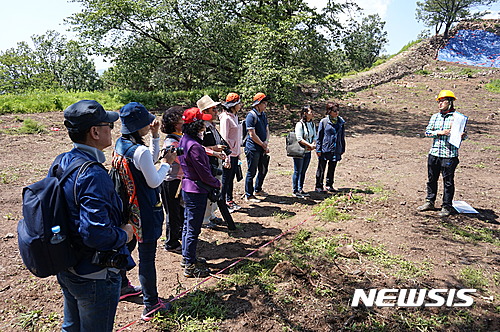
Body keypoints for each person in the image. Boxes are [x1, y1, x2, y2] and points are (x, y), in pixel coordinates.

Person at [59, 99, 134, 331]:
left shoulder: (64, 161)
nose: (111, 129)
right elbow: (96, 233)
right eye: (108, 126)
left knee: (71, 327)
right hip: (94, 274)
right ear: (94, 131)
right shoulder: (93, 174)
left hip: (68, 263)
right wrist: (125, 234)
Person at [115, 102, 176, 321]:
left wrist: (155, 136)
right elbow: (154, 180)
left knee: (127, 245)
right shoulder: (138, 151)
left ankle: (122, 286)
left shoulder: (121, 144)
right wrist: (167, 164)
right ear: (139, 124)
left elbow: (146, 162)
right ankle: (151, 304)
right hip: (146, 210)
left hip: (127, 209)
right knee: (147, 257)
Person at [178, 107, 221, 277]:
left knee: (188, 225)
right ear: (196, 125)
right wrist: (216, 183)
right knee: (193, 228)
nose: (205, 124)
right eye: (202, 121)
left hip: (189, 187)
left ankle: (187, 257)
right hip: (196, 190)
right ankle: (189, 265)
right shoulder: (194, 145)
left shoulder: (185, 140)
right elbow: (203, 172)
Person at [417, 90, 467, 217]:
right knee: (431, 179)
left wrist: (463, 135)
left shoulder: (458, 118)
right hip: (434, 153)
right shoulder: (435, 117)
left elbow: (463, 135)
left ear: (450, 102)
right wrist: (439, 132)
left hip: (449, 155)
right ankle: (430, 201)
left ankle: (446, 206)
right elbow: (427, 132)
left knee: (448, 182)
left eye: (442, 101)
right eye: (439, 101)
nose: (440, 104)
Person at [197, 95, 227, 228]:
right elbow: (197, 148)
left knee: (216, 188)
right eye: (213, 109)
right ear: (204, 112)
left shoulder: (212, 125)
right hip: (207, 163)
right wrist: (214, 148)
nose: (216, 112)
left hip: (216, 160)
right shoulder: (200, 127)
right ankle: (204, 219)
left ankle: (211, 215)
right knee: (209, 190)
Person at [159, 106, 185, 253]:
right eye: (182, 119)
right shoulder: (171, 142)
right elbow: (182, 160)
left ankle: (179, 234)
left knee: (180, 210)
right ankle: (171, 243)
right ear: (176, 123)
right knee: (172, 213)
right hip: (171, 182)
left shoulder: (179, 136)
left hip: (179, 180)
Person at [244, 92, 271, 203]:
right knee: (252, 171)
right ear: (257, 104)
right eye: (263, 103)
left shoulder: (263, 115)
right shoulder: (251, 115)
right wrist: (262, 144)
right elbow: (252, 134)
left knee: (263, 169)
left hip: (261, 147)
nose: (265, 105)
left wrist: (266, 143)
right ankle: (248, 195)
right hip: (253, 148)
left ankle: (258, 189)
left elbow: (267, 129)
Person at [220, 93, 243, 212]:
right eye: (239, 103)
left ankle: (229, 200)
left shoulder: (235, 116)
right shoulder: (225, 118)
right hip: (228, 154)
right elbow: (224, 137)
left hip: (235, 152)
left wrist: (238, 152)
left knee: (231, 179)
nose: (240, 105)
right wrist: (226, 156)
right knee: (225, 179)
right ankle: (222, 202)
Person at [315, 102, 346, 193]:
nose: (337, 112)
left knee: (332, 167)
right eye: (334, 111)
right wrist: (318, 149)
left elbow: (342, 136)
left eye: (338, 110)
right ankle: (318, 185)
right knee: (321, 168)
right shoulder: (324, 121)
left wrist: (342, 147)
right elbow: (319, 136)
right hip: (325, 148)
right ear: (329, 111)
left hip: (336, 148)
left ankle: (329, 184)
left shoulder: (341, 121)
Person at [292, 105, 316, 198]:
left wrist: (313, 144)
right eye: (310, 112)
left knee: (303, 171)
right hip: (300, 151)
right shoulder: (300, 124)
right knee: (297, 171)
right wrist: (309, 145)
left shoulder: (312, 124)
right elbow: (299, 138)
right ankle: (295, 190)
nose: (312, 114)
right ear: (305, 113)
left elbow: (314, 136)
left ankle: (300, 188)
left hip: (308, 151)